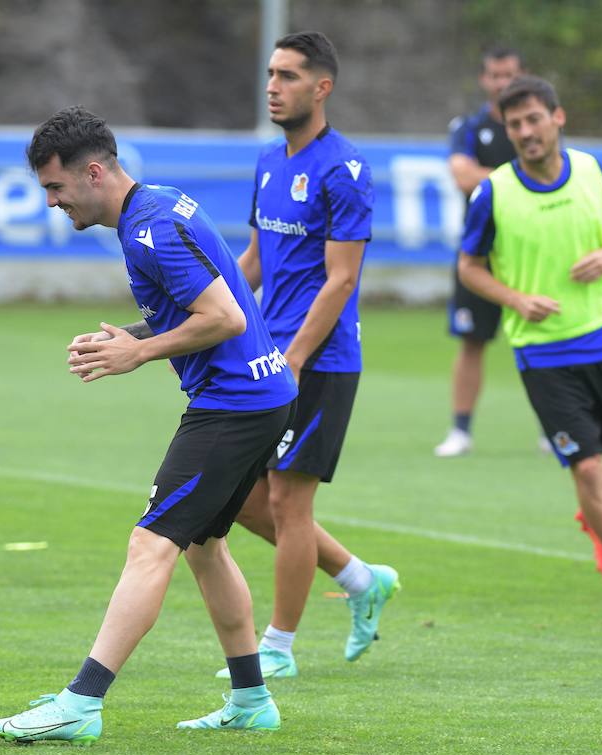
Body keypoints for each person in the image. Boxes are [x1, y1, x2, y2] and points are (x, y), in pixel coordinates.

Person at [0, 106, 297, 744]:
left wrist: (139, 353)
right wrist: (128, 336)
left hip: (233, 404)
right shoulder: (155, 206)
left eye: (56, 187)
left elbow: (226, 318)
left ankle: (81, 701)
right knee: (205, 548)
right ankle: (251, 698)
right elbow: (200, 310)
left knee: (150, 544)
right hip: (259, 394)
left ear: (93, 172)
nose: (51, 202)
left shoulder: (148, 228)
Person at [225, 31, 399, 680]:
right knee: (243, 502)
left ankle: (277, 649)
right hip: (269, 355)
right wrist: (200, 312)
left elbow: (342, 280)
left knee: (289, 506)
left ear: (321, 88)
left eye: (289, 76)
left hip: (319, 361)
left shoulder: (343, 169)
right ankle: (359, 578)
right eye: (271, 74)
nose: (273, 86)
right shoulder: (269, 161)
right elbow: (254, 261)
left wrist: (295, 357)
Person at [457, 75, 602, 607]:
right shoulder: (493, 193)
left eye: (533, 120)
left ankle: (595, 515)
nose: (525, 132)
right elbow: (469, 268)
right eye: (514, 124)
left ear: (557, 118)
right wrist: (516, 300)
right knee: (587, 466)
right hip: (543, 354)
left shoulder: (592, 171)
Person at [434, 46, 524, 458]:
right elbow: (463, 176)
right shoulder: (469, 127)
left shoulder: (534, 126)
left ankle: (552, 427)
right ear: (484, 80)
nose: (502, 83)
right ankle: (461, 430)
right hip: (480, 253)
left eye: (509, 75)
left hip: (529, 251)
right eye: (495, 75)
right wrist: (521, 181)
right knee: (472, 341)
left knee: (542, 339)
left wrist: (490, 181)